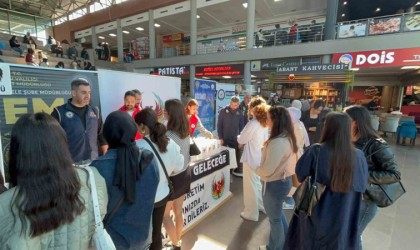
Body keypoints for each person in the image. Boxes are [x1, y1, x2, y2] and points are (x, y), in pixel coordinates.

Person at [0, 113, 108, 249]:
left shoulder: (5, 205)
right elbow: (98, 217)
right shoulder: (92, 179)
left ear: (17, 152)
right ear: (62, 144)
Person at [284, 112, 368, 250]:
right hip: (345, 214)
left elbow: (300, 175)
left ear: (327, 127)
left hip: (317, 211)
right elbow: (361, 185)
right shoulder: (359, 156)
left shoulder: (316, 151)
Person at [90, 111, 159, 250]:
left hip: (113, 242)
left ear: (106, 135)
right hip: (143, 238)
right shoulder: (149, 159)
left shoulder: (97, 168)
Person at [344, 105, 401, 249]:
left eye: (345, 117)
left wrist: (361, 176)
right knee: (345, 235)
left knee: (351, 237)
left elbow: (394, 174)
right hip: (347, 196)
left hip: (366, 200)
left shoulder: (376, 144)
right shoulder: (345, 140)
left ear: (355, 122)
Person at [135, 108, 184, 250]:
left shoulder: (138, 147)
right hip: (162, 196)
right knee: (156, 233)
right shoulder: (171, 144)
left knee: (144, 234)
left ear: (142, 126)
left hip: (144, 200)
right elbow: (179, 166)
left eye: (137, 125)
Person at [256, 106, 298, 250]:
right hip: (281, 182)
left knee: (274, 219)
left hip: (274, 185)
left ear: (276, 120)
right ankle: (284, 243)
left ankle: (275, 247)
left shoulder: (278, 142)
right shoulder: (286, 137)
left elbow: (268, 170)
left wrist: (256, 169)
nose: (266, 121)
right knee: (277, 215)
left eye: (268, 118)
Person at [51, 78, 108, 163]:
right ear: (74, 93)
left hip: (93, 162)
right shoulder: (59, 112)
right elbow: (52, 140)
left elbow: (101, 134)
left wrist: (105, 153)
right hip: (71, 164)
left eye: (89, 92)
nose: (87, 96)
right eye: (83, 93)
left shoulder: (95, 111)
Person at [162, 99, 191, 250]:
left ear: (170, 113)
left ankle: (175, 244)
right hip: (185, 174)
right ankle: (177, 239)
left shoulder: (168, 135)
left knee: (165, 215)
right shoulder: (185, 130)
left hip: (173, 178)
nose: (163, 113)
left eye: (165, 110)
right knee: (178, 211)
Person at [237, 97, 269, 221]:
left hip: (251, 158)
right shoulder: (265, 123)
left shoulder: (253, 123)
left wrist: (239, 137)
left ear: (253, 109)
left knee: (250, 185)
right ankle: (261, 206)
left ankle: (251, 213)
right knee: (257, 184)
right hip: (260, 157)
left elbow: (241, 139)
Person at [282, 107, 310, 210]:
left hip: (294, 155)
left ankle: (289, 200)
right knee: (291, 176)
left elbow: (295, 143)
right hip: (293, 154)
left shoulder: (297, 127)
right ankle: (288, 199)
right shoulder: (297, 124)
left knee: (293, 177)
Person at [217, 96, 245, 176]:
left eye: (235, 105)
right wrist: (221, 137)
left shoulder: (239, 113)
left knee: (232, 158)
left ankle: (230, 174)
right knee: (224, 157)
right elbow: (219, 126)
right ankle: (224, 174)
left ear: (238, 104)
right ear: (230, 103)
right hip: (225, 139)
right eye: (232, 104)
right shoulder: (223, 111)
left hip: (234, 140)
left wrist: (241, 140)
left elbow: (241, 128)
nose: (233, 106)